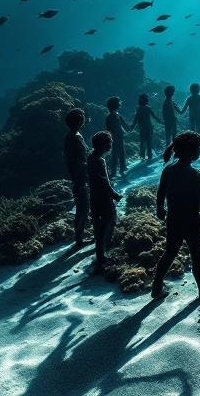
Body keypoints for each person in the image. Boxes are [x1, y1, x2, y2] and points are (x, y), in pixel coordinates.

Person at [151, 131, 200, 301]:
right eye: (199, 147)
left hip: (173, 220)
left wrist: (160, 208)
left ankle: (156, 287)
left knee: (169, 253)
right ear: (191, 151)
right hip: (192, 222)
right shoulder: (196, 176)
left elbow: (161, 191)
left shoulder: (168, 170)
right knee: (197, 258)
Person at [87, 131, 121, 274]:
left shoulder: (90, 157)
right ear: (103, 145)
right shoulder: (100, 161)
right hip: (103, 197)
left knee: (98, 225)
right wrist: (114, 194)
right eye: (109, 142)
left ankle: (100, 254)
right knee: (110, 220)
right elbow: (104, 181)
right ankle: (103, 255)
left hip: (94, 197)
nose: (111, 144)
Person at [63, 108, 91, 250]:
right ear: (80, 121)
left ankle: (79, 236)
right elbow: (78, 160)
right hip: (80, 178)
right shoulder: (75, 137)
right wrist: (82, 179)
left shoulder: (72, 136)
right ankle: (79, 239)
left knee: (83, 207)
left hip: (79, 177)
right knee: (83, 208)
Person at [104, 96, 130, 179]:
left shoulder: (115, 115)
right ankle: (117, 171)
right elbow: (108, 129)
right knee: (117, 154)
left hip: (118, 137)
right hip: (115, 138)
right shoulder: (111, 116)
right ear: (116, 105)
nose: (120, 104)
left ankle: (118, 170)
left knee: (119, 154)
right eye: (119, 103)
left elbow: (123, 124)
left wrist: (128, 128)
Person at [130, 93, 162, 160]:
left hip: (142, 128)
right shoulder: (148, 108)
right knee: (149, 141)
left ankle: (142, 156)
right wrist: (160, 121)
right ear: (146, 100)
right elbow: (154, 116)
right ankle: (149, 156)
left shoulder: (138, 109)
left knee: (142, 142)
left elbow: (136, 119)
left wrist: (132, 126)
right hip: (149, 127)